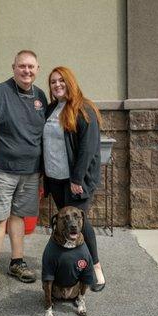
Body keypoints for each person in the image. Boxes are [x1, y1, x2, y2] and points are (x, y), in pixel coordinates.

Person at [0, 49, 48, 291]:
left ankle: (16, 262)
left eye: (31, 67)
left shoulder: (41, 97)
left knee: (18, 216)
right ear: (13, 67)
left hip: (30, 172)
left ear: (37, 70)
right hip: (2, 170)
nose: (26, 71)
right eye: (22, 66)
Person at [42, 66, 106, 292]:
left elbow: (88, 150)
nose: (57, 85)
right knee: (69, 224)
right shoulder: (51, 109)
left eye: (61, 80)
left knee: (81, 222)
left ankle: (95, 267)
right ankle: (73, 266)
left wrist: (77, 179)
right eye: (52, 82)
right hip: (56, 179)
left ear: (70, 82)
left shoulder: (83, 109)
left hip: (75, 180)